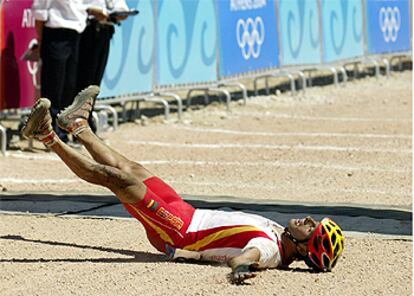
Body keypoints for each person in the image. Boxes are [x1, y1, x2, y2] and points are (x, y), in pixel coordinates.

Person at [21, 86, 345, 285]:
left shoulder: (273, 250)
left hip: (180, 231)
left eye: (312, 230)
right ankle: (77, 126)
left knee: (118, 179)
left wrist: (243, 267)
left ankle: (46, 135)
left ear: (303, 249)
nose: (309, 221)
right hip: (188, 212)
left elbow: (248, 256)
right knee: (131, 168)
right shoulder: (281, 235)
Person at [31, 0, 89, 143]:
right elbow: (39, 12)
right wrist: (40, 40)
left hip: (75, 34)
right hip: (56, 34)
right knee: (54, 85)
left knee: (69, 85)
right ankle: (49, 132)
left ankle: (63, 130)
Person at [77, 0, 130, 132]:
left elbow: (117, 4)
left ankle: (86, 119)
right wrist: (90, 10)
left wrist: (121, 12)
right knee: (83, 79)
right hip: (85, 30)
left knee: (95, 81)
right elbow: (74, 5)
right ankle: (76, 122)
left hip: (104, 31)